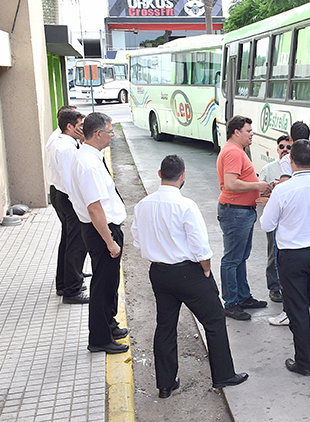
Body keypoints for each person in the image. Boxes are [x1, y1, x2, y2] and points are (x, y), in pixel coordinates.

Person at [132, 155, 248, 398]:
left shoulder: (143, 204)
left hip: (159, 272)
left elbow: (138, 240)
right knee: (214, 320)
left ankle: (165, 384)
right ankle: (223, 375)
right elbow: (200, 246)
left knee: (165, 326)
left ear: (159, 173)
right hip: (188, 272)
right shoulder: (186, 206)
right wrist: (205, 268)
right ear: (183, 176)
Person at [260, 140, 310, 376]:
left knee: (297, 309)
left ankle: (303, 363)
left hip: (292, 256)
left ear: (291, 161)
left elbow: (267, 224)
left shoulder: (283, 190)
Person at [68, 112, 129, 354]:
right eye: (110, 132)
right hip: (102, 232)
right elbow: (94, 208)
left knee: (110, 283)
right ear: (98, 134)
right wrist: (110, 242)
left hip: (104, 229)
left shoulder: (90, 156)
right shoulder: (88, 164)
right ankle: (100, 338)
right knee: (102, 286)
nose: (113, 136)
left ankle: (109, 324)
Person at [216, 115, 272, 320]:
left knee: (240, 257)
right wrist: (257, 186)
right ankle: (231, 303)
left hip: (241, 212)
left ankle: (242, 296)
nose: (252, 134)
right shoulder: (233, 152)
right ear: (236, 132)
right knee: (232, 259)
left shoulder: (235, 150)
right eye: (248, 131)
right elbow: (230, 183)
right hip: (236, 212)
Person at [46, 108, 89, 304]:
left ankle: (65, 282)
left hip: (61, 195)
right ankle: (72, 290)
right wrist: (81, 205)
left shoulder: (62, 141)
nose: (83, 129)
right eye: (80, 126)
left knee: (68, 241)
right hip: (67, 198)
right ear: (69, 127)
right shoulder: (65, 148)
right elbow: (69, 180)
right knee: (76, 245)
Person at [258, 135, 290, 304]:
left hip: (290, 220)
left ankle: (287, 286)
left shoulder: (295, 169)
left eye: (288, 147)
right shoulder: (268, 169)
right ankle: (274, 287)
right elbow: (259, 192)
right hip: (274, 219)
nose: (285, 150)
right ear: (277, 149)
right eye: (281, 146)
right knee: (273, 253)